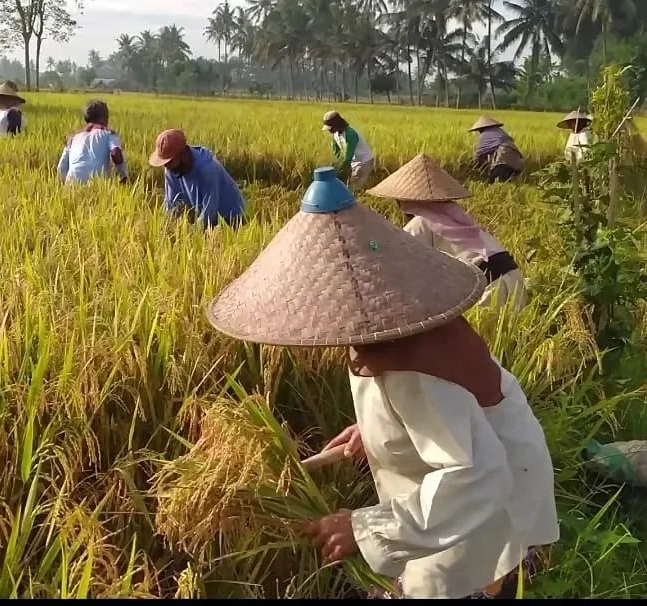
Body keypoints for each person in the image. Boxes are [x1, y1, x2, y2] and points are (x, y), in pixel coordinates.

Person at [205, 166, 559, 599]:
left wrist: (362, 528)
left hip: (479, 498)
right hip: (477, 474)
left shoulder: (411, 363)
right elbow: (429, 420)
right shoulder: (389, 326)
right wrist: (372, 432)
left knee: (460, 580)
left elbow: (477, 476)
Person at [367, 153, 528, 316]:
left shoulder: (421, 222)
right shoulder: (456, 218)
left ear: (405, 203)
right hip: (513, 278)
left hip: (488, 287)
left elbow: (399, 263)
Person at [148, 129, 245, 228]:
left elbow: (210, 208)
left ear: (182, 155)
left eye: (170, 161)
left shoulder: (207, 169)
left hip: (229, 215)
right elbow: (171, 202)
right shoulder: (170, 168)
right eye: (165, 163)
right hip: (201, 209)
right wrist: (167, 226)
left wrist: (194, 231)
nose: (166, 166)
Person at [57, 100, 129, 184]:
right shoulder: (109, 134)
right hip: (97, 182)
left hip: (72, 183)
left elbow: (61, 168)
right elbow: (116, 153)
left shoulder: (73, 138)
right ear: (104, 118)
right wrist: (123, 176)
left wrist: (64, 184)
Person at [322, 110, 375, 190]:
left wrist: (339, 171)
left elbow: (348, 157)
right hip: (354, 163)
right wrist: (335, 166)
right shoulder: (335, 135)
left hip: (364, 162)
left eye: (331, 127)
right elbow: (336, 154)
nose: (329, 130)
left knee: (355, 188)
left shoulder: (350, 133)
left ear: (336, 124)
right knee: (349, 186)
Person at [470, 116, 524, 183]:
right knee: (507, 180)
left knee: (494, 181)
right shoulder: (500, 131)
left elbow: (479, 154)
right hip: (514, 156)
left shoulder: (484, 135)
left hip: (503, 156)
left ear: (481, 128)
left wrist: (473, 166)